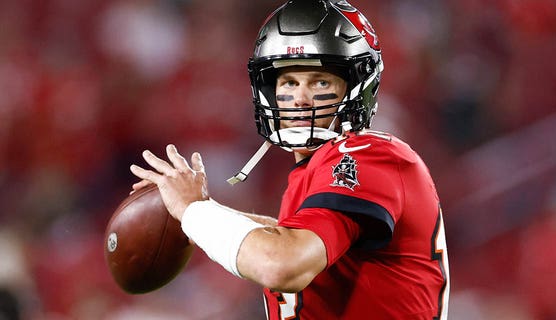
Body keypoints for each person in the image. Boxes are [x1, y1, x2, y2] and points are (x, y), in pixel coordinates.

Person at [130, 0, 450, 318]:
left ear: (355, 88)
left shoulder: (368, 156)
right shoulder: (315, 170)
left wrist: (195, 212)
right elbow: (290, 235)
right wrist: (202, 209)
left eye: (319, 82)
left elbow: (282, 264)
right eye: (289, 82)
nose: (299, 98)